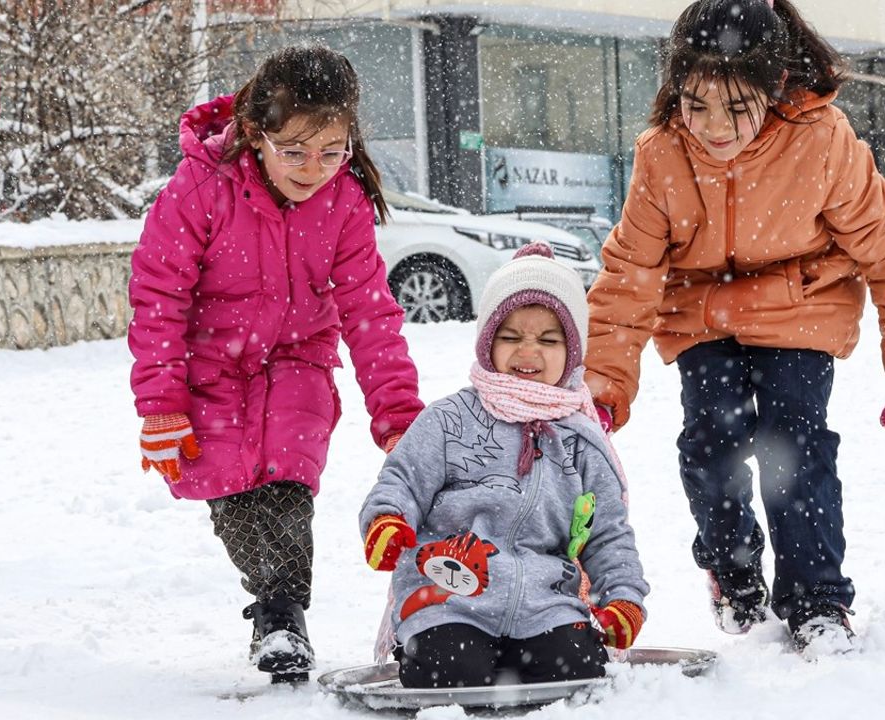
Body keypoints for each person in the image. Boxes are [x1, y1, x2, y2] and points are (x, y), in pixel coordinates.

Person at [584, 0, 885, 657]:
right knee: (711, 440)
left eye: (736, 108)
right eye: (696, 105)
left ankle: (817, 600)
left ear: (775, 86)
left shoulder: (822, 140)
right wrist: (605, 388)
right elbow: (628, 277)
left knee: (795, 443)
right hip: (701, 314)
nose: (714, 128)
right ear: (676, 89)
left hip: (801, 308)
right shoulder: (661, 155)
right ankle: (733, 569)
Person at [128, 46, 423, 683]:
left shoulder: (343, 204)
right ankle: (269, 595)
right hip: (210, 369)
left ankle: (282, 615)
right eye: (294, 150)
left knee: (288, 485)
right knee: (235, 496)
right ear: (257, 134)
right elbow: (159, 298)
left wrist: (397, 413)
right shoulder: (201, 189)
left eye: (331, 150)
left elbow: (370, 315)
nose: (313, 168)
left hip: (298, 364)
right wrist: (161, 404)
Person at [360, 243, 649, 689]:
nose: (528, 352)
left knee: (574, 668)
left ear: (572, 352)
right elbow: (403, 479)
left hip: (546, 602)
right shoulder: (449, 419)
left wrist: (623, 598)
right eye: (511, 336)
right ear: (487, 342)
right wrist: (387, 519)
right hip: (448, 595)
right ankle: (441, 657)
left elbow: (608, 532)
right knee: (451, 667)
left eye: (548, 340)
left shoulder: (580, 441)